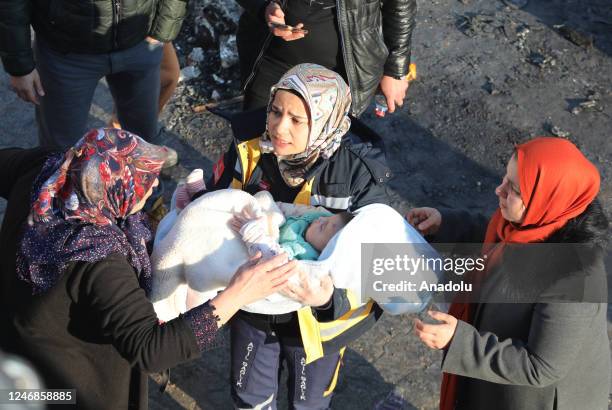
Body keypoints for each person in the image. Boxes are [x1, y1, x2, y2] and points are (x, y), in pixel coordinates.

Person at [0, 128, 300, 410]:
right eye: (144, 180)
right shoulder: (99, 261)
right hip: (66, 385)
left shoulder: (50, 169)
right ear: (115, 190)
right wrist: (238, 293)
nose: (156, 184)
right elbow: (151, 349)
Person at [208, 63, 392, 409]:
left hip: (316, 326)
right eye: (275, 111)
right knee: (250, 395)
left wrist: (326, 299)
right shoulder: (249, 147)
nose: (279, 127)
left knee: (306, 403)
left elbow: (377, 265)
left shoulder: (357, 175)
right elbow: (218, 201)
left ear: (324, 121)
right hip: (253, 307)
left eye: (297, 119)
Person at [407, 137, 610, 410]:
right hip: (500, 377)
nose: (498, 189)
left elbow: (542, 366)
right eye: (505, 177)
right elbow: (498, 237)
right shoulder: (537, 220)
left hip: (532, 398)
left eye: (513, 188)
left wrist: (461, 343)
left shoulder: (573, 279)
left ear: (546, 198)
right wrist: (446, 224)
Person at [0, 0, 187, 151]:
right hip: (65, 54)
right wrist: (19, 64)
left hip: (140, 42)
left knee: (141, 138)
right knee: (61, 151)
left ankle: (143, 194)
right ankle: (66, 197)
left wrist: (166, 24)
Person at [236, 0, 417, 116]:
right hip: (273, 61)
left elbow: (400, 5)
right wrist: (263, 7)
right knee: (254, 148)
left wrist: (395, 70)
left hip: (340, 71)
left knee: (320, 159)